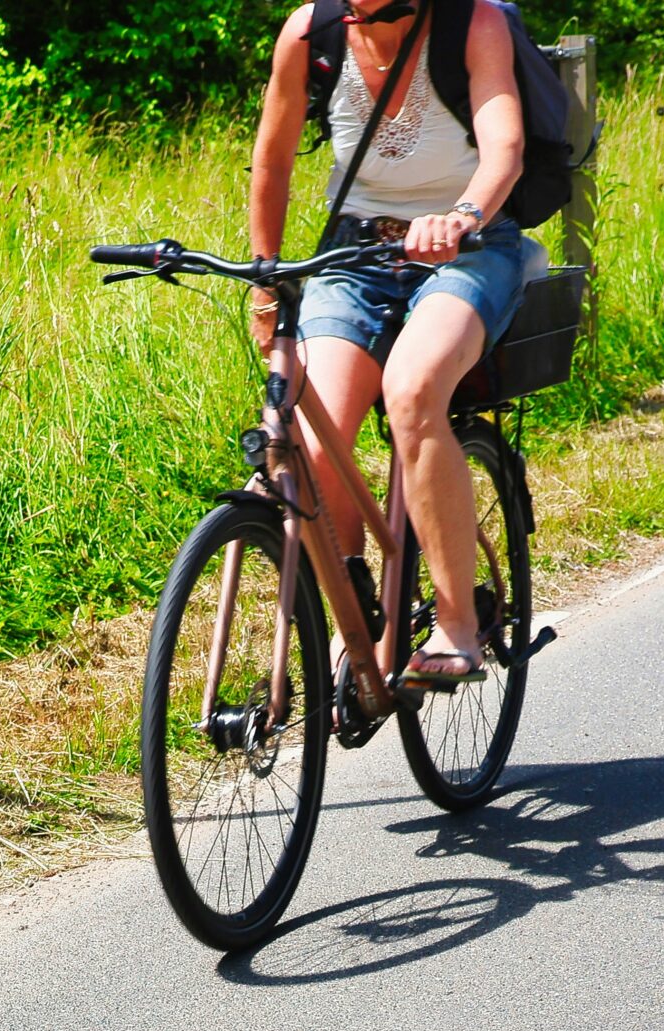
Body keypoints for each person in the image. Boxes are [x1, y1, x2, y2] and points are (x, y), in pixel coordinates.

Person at [244, 0, 527, 684]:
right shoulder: (311, 34)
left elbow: (506, 151)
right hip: (356, 253)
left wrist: (460, 215)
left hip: (469, 247)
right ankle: (355, 621)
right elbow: (272, 161)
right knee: (315, 436)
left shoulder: (473, 23)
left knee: (413, 389)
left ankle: (458, 624)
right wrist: (263, 279)